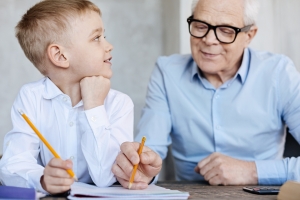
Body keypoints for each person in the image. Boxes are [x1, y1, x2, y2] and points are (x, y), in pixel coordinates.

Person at [113, 0, 300, 186]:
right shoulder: (167, 72)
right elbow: (150, 149)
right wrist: (142, 169)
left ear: (249, 35)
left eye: (226, 30)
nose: (209, 40)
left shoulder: (279, 73)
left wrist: (252, 171)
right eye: (201, 26)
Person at [0, 0, 134, 194]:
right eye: (97, 38)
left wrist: (94, 106)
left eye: (104, 36)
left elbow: (105, 177)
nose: (109, 46)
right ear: (60, 56)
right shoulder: (31, 97)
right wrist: (43, 180)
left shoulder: (119, 104)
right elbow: (12, 165)